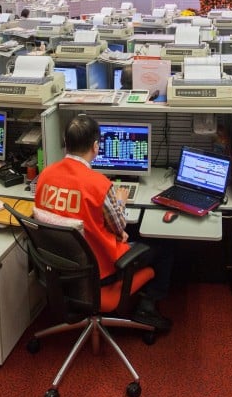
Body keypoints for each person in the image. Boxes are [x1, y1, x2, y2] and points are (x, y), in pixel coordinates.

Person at [34, 115, 173, 331]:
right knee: (164, 248)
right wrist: (119, 202)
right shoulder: (99, 185)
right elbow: (120, 227)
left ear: (66, 143)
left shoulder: (45, 175)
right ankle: (147, 307)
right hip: (100, 271)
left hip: (61, 269)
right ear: (96, 146)